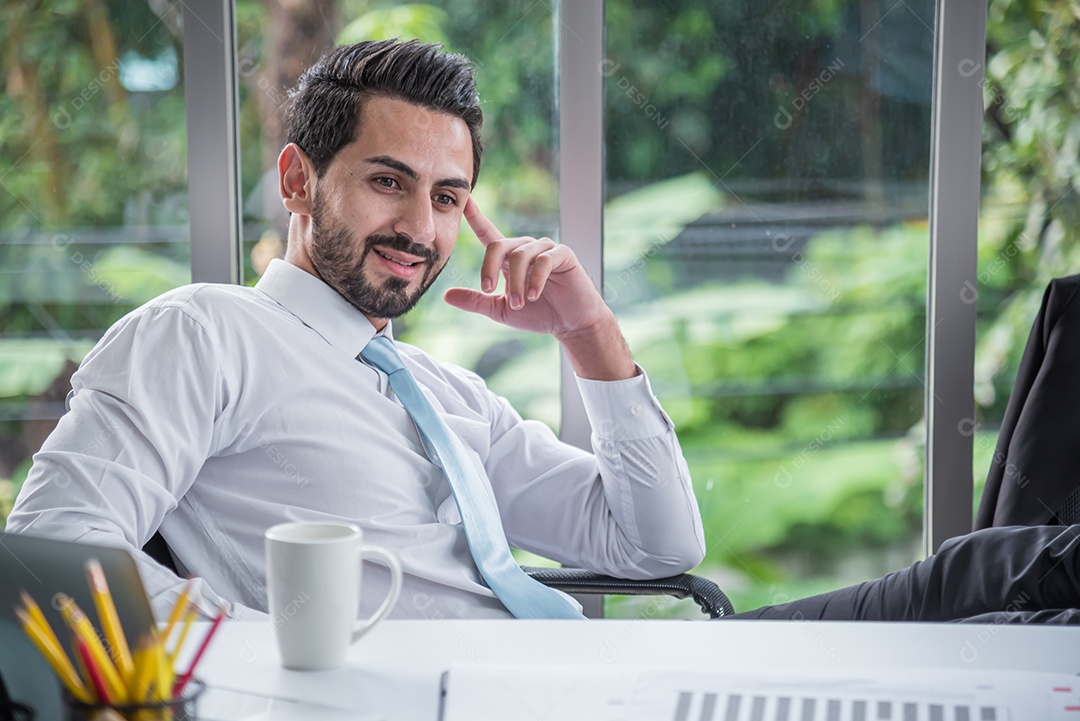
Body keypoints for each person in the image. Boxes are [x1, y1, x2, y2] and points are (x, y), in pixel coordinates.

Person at [8, 39, 1080, 625]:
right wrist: (272, 654)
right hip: (470, 699)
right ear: (298, 177)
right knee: (999, 587)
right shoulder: (206, 333)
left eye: (445, 196)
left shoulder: (436, 390)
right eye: (388, 184)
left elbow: (656, 547)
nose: (419, 230)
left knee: (989, 576)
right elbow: (53, 554)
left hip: (587, 685)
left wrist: (590, 334)